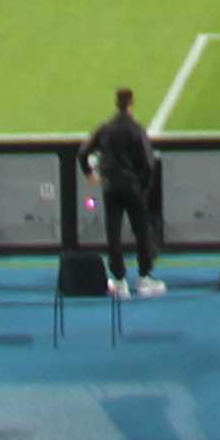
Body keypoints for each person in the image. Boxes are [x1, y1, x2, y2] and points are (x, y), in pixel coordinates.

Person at [86, 87, 167, 295]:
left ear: (116, 103)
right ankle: (144, 278)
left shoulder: (105, 129)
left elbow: (83, 153)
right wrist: (144, 186)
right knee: (141, 232)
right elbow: (148, 163)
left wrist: (90, 173)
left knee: (113, 233)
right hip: (132, 187)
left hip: (111, 187)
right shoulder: (136, 129)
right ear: (131, 104)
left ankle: (119, 281)